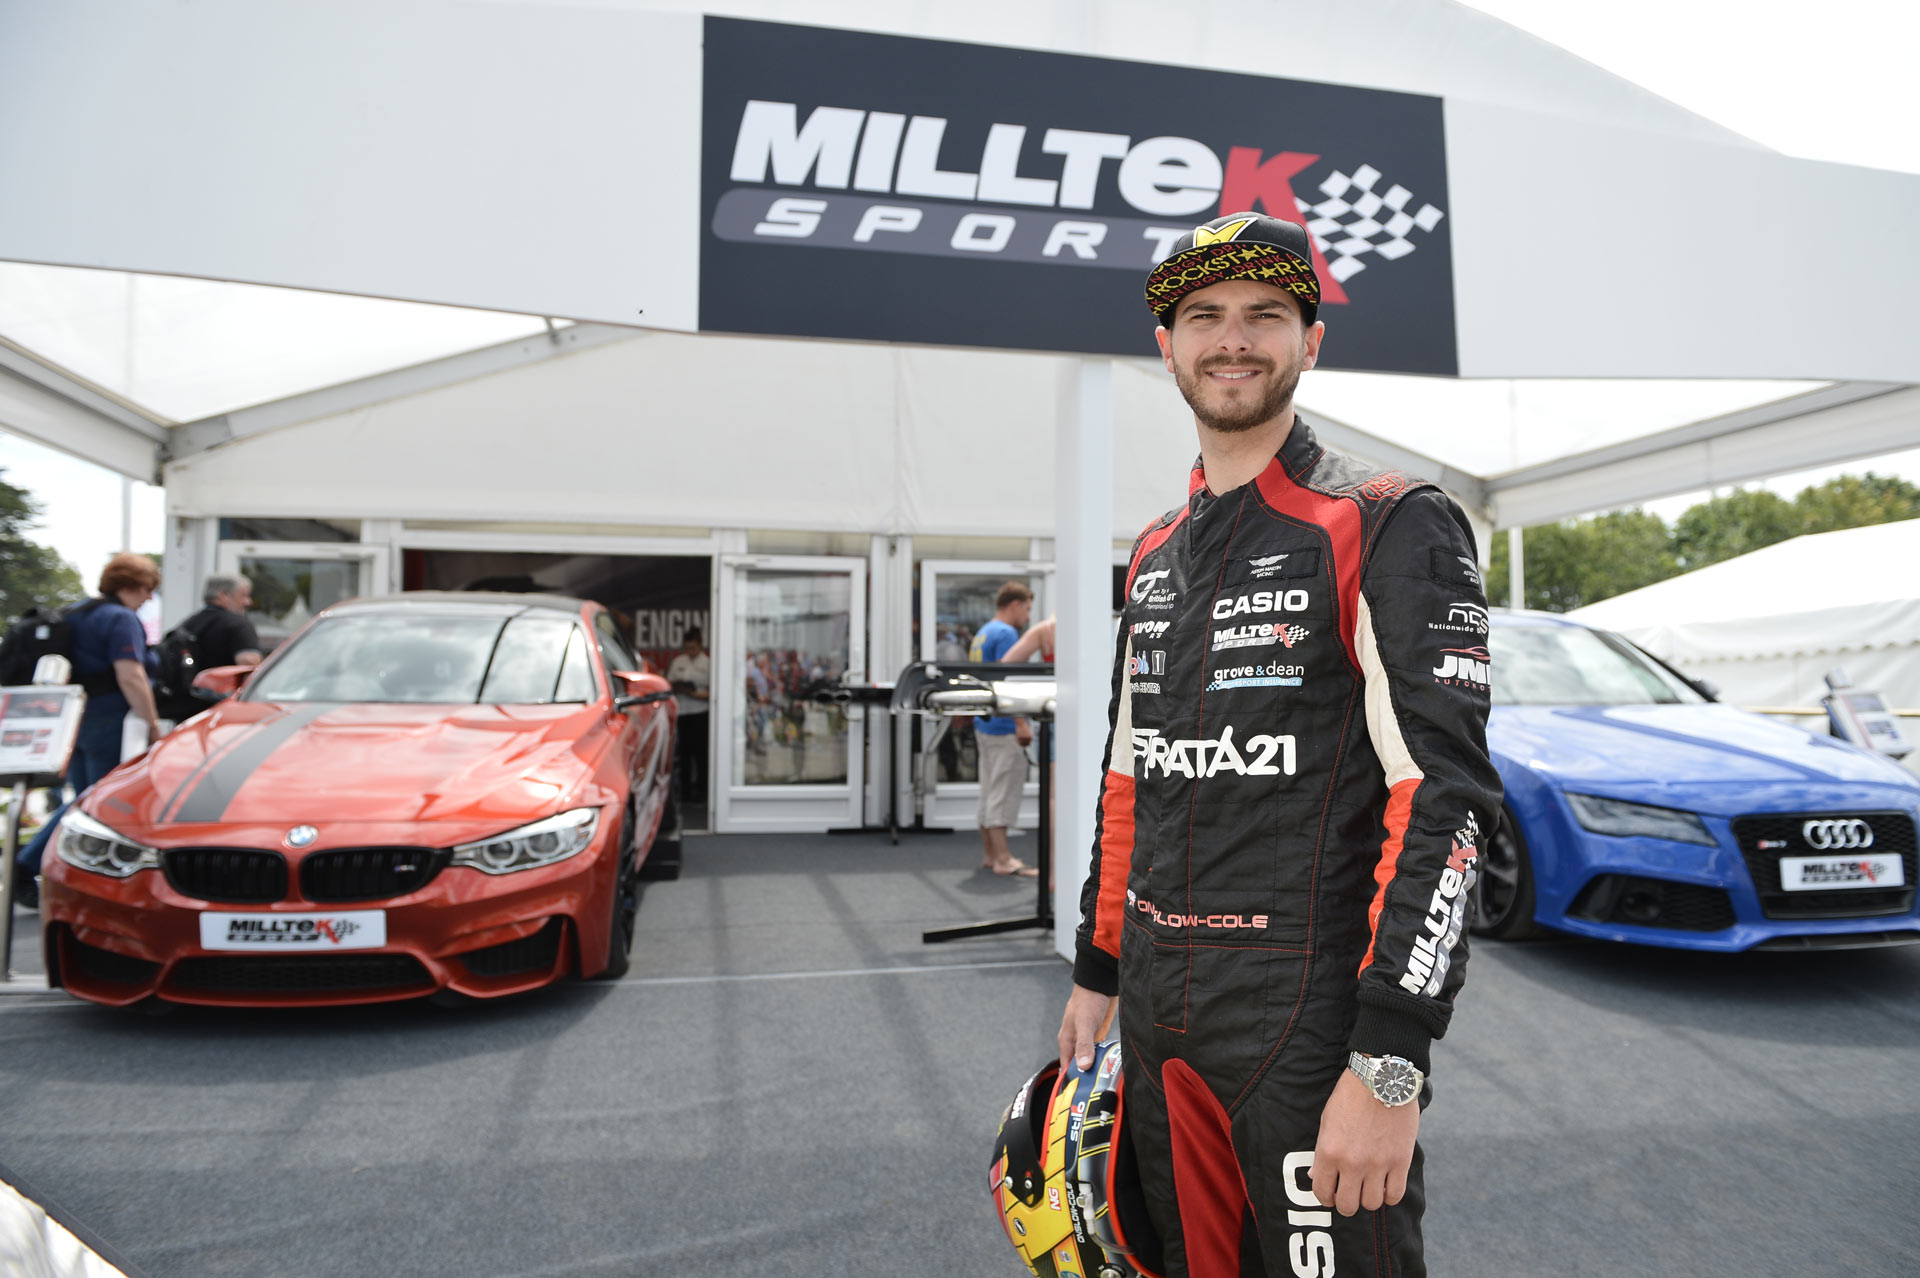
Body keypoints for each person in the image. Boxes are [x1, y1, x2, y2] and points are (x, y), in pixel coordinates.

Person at [1056, 213, 1503, 1278]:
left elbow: (1444, 802)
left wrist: (1391, 1061)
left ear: (1311, 340)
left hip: (1306, 1019)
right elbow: (1131, 780)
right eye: (1202, 316)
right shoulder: (1156, 549)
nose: (1233, 339)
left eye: (1266, 314)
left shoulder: (1391, 518)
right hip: (1161, 1010)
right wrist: (1098, 967)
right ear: (1165, 346)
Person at [15, 553, 166, 906]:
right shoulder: (120, 619)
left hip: (74, 718)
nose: (148, 598)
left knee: (81, 798)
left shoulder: (78, 612)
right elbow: (130, 674)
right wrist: (153, 723)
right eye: (147, 590)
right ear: (131, 586)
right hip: (109, 719)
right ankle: (29, 863)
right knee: (95, 803)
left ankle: (34, 862)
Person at [969, 581, 1035, 877]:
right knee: (1002, 792)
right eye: (1028, 609)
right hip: (1004, 725)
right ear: (1015, 605)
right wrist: (1020, 722)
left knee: (988, 790)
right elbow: (1010, 680)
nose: (1028, 617)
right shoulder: (1007, 633)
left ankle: (990, 854)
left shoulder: (983, 633)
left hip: (984, 722)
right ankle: (1003, 859)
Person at [157, 573, 263, 723]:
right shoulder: (239, 624)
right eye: (244, 596)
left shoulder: (188, 623)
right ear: (223, 595)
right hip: (223, 712)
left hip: (186, 712)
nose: (248, 602)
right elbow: (248, 662)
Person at [666, 628, 710, 807]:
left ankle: (702, 791)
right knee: (683, 755)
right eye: (687, 647)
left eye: (693, 648)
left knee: (701, 756)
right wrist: (679, 688)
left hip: (700, 712)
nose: (690, 651)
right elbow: (668, 684)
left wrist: (692, 693)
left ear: (700, 645)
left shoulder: (707, 663)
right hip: (682, 712)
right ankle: (683, 792)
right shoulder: (678, 661)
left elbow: (712, 692)